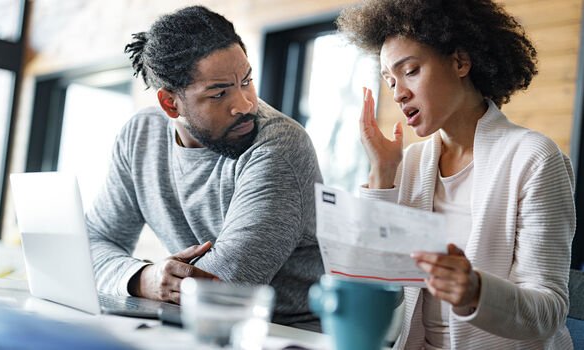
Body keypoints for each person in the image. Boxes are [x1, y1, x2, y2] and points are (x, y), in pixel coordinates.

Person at [337, 0, 575, 348]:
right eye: (390, 81)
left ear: (460, 62)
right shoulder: (412, 163)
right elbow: (370, 288)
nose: (399, 93)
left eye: (411, 70)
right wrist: (382, 174)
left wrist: (476, 292)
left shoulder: (534, 157)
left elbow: (549, 311)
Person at [84, 5, 324, 329]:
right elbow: (92, 244)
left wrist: (163, 282)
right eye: (219, 93)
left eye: (247, 81)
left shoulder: (279, 147)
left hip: (287, 332)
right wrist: (145, 277)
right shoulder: (141, 137)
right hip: (190, 325)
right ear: (171, 104)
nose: (245, 104)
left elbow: (219, 286)